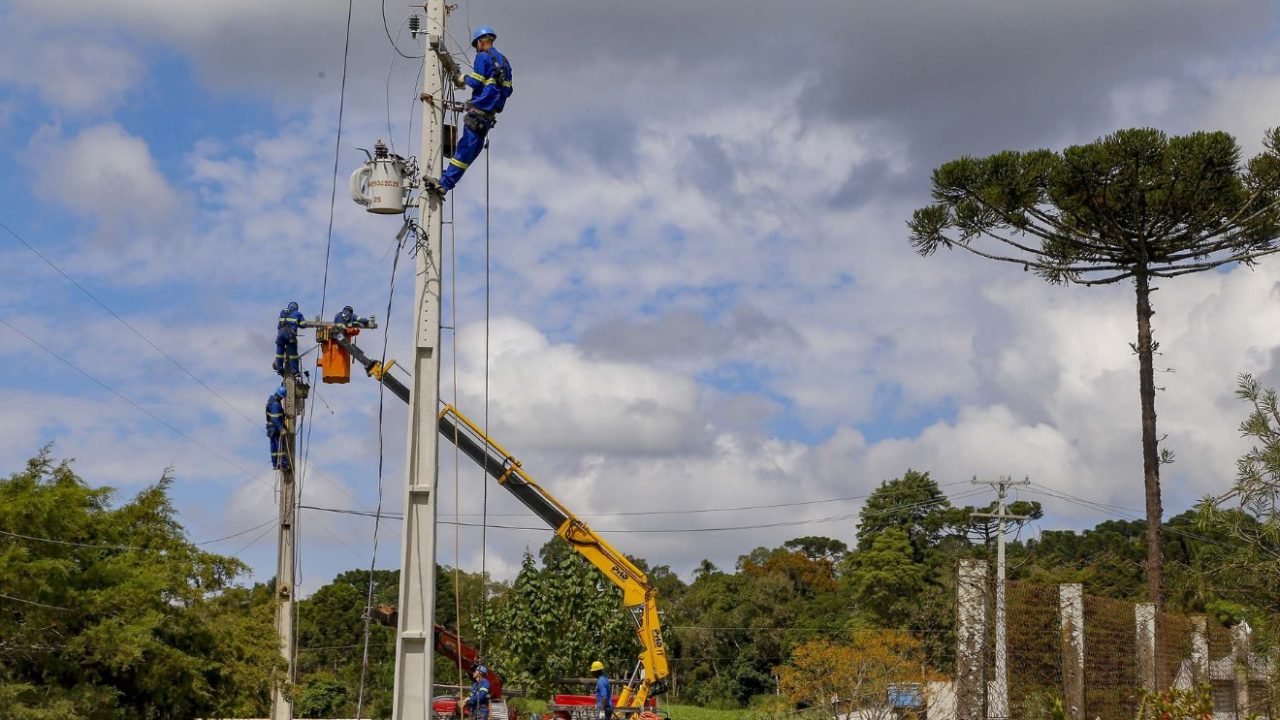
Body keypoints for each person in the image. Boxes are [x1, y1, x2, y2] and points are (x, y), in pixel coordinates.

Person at [424, 26, 513, 197]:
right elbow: (508, 90)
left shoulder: (482, 56)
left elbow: (477, 82)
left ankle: (444, 183)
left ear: (480, 42)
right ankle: (445, 183)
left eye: (476, 45)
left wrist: (462, 78)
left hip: (478, 112)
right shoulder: (505, 62)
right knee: (468, 156)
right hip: (488, 117)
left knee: (463, 153)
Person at [275, 301, 304, 375]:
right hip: (290, 336)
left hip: (280, 335)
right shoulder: (298, 314)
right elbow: (303, 324)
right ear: (296, 308)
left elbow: (278, 326)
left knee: (279, 354)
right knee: (293, 354)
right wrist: (298, 324)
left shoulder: (282, 312)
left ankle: (280, 369)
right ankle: (295, 371)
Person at [265, 385, 289, 470]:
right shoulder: (275, 404)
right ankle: (283, 464)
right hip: (275, 428)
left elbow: (276, 415)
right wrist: (281, 429)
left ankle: (275, 464)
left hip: (271, 428)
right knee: (279, 446)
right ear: (280, 396)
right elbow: (275, 418)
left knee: (274, 447)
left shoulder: (272, 401)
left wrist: (284, 415)